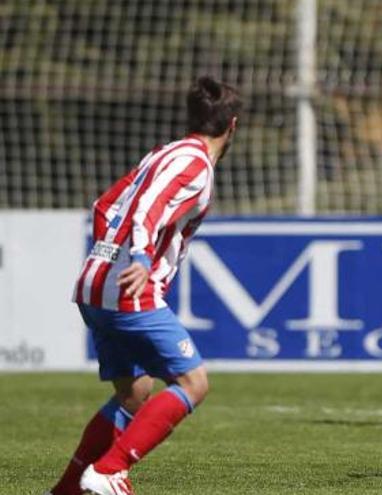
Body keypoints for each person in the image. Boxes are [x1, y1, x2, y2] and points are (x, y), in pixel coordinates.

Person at [47, 76, 242, 495]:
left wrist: (107, 256)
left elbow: (104, 205)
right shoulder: (195, 164)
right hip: (128, 291)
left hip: (94, 285)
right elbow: (149, 212)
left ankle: (66, 490)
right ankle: (108, 471)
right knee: (194, 383)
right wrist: (136, 258)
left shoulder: (163, 152)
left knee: (135, 396)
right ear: (233, 126)